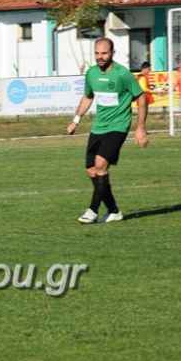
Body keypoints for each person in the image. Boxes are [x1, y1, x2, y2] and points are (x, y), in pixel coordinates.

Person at [67, 38, 149, 224]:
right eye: (97, 53)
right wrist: (76, 120)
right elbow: (88, 97)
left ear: (112, 53)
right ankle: (113, 210)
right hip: (99, 127)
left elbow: (141, 98)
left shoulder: (123, 74)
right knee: (91, 170)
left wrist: (140, 127)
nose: (100, 57)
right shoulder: (91, 74)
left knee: (101, 164)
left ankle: (92, 210)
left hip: (118, 126)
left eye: (104, 53)